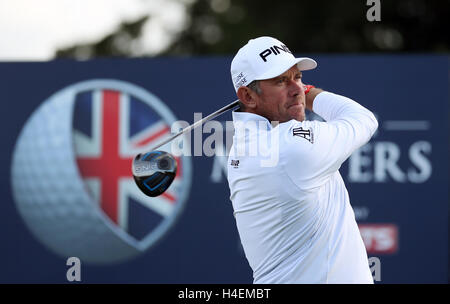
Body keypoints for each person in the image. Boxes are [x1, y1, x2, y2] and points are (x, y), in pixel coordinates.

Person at [227, 36, 378, 283]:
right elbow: (363, 119)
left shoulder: (244, 147)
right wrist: (310, 93)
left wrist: (293, 92)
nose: (296, 88)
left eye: (297, 77)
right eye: (281, 81)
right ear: (248, 97)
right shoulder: (292, 146)